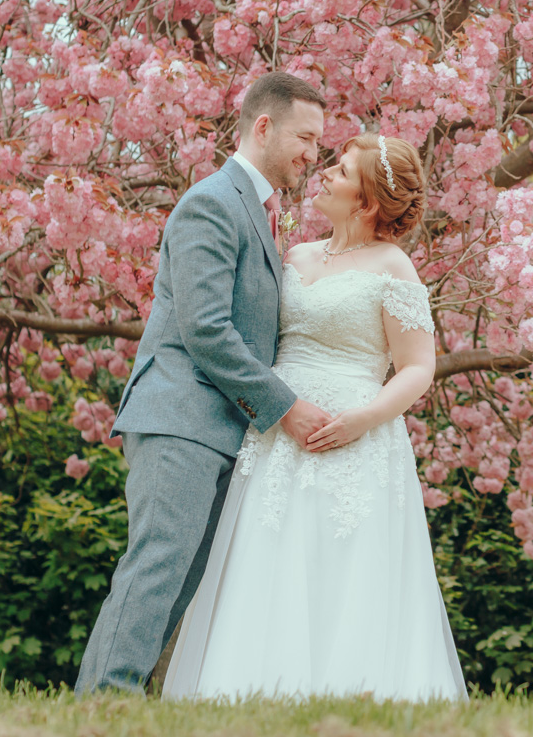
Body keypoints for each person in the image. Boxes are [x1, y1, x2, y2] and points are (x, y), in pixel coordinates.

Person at [161, 132, 467, 702]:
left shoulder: (394, 267)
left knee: (341, 563)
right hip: (278, 431)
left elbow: (418, 368)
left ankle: (350, 698)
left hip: (355, 435)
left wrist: (362, 418)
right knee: (267, 556)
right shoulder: (296, 256)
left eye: (342, 170)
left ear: (368, 200)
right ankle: (248, 695)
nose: (323, 172)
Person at [75, 72, 333, 694]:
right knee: (157, 569)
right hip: (179, 419)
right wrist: (286, 407)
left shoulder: (260, 212)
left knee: (181, 579)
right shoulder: (212, 202)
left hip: (219, 430)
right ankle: (101, 707)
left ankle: (116, 704)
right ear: (263, 126)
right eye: (305, 137)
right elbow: (207, 329)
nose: (313, 154)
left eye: (320, 144)